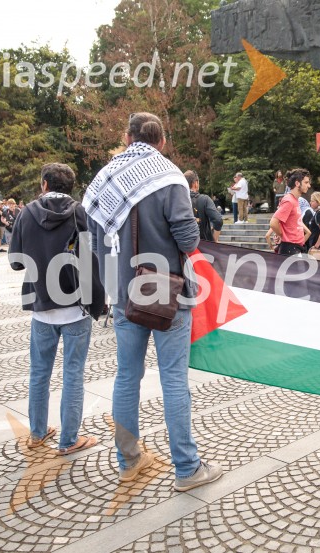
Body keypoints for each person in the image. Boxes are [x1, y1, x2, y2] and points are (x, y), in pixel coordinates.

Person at [85, 112, 222, 488]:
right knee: (174, 379)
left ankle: (128, 460)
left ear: (127, 137)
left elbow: (96, 242)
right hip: (166, 290)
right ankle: (187, 468)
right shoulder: (169, 177)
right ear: (161, 141)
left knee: (127, 376)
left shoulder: (104, 180)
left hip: (124, 293)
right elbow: (189, 240)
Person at [10, 162, 105, 455]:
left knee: (39, 373)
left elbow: (15, 260)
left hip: (41, 306)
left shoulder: (26, 213)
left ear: (44, 185)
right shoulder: (80, 213)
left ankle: (37, 433)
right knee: (73, 373)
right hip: (76, 305)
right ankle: (69, 440)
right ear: (71, 186)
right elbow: (94, 255)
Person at [270, 169, 311, 257]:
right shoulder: (289, 200)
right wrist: (282, 235)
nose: (309, 185)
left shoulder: (294, 200)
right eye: (306, 182)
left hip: (295, 248)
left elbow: (294, 221)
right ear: (297, 183)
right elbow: (273, 223)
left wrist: (307, 232)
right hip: (289, 248)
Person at [185, 170, 223, 242]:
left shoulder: (176, 201)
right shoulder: (204, 199)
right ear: (195, 183)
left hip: (182, 246)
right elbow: (218, 220)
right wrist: (215, 239)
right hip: (203, 245)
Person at [305, 191, 320, 259]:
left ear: (318, 202)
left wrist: (316, 246)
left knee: (319, 268)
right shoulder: (318, 213)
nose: (310, 203)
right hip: (319, 246)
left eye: (312, 201)